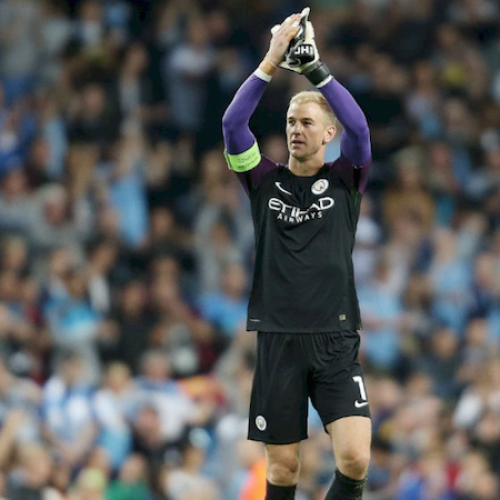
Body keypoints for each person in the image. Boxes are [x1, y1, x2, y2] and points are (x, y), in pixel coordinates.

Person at [221, 10, 372, 500]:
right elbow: (232, 123)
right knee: (283, 471)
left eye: (307, 122)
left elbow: (361, 130)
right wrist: (270, 62)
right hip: (279, 339)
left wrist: (315, 71)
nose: (295, 129)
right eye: (290, 122)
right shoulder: (263, 181)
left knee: (355, 457)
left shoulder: (345, 179)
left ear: (328, 135)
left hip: (335, 336)